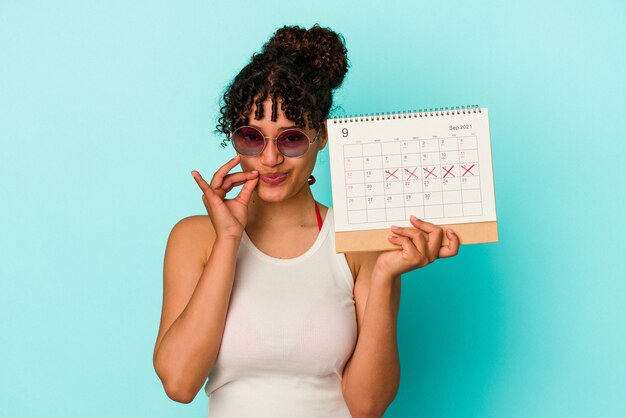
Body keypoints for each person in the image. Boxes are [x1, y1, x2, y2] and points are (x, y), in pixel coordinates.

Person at [152, 24, 460, 417]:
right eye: (252, 137)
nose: (270, 159)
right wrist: (229, 240)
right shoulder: (194, 237)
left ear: (323, 136)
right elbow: (179, 383)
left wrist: (384, 274)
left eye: (291, 138)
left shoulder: (359, 241)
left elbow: (367, 406)